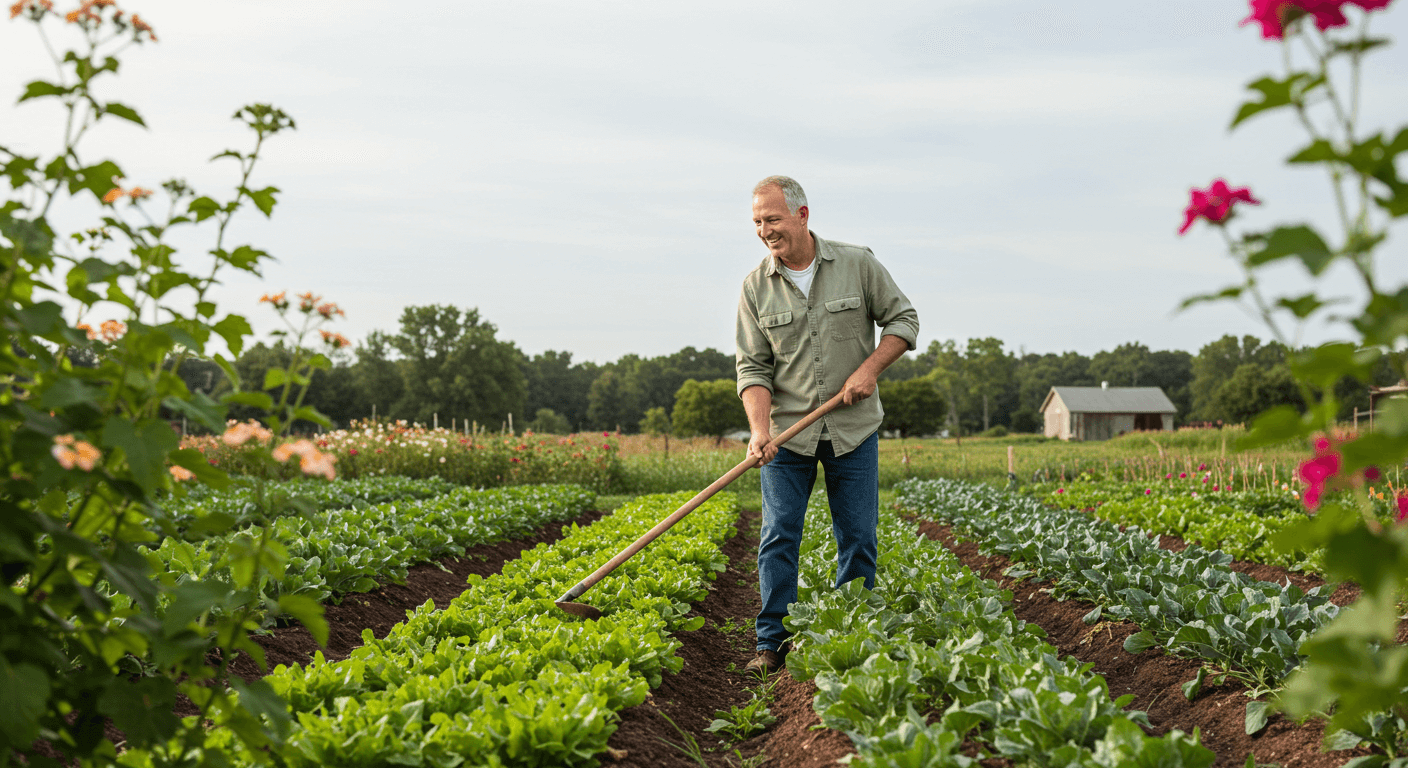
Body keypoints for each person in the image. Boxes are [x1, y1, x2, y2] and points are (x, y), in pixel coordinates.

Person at [734, 175, 919, 675]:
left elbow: (904, 320)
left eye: (772, 219)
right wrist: (758, 429)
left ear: (802, 214)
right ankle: (771, 642)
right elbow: (753, 368)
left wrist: (869, 370)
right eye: (757, 222)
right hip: (787, 435)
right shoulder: (755, 287)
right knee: (779, 535)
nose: (764, 230)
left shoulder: (857, 263)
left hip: (852, 428)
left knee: (857, 536)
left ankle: (852, 633)